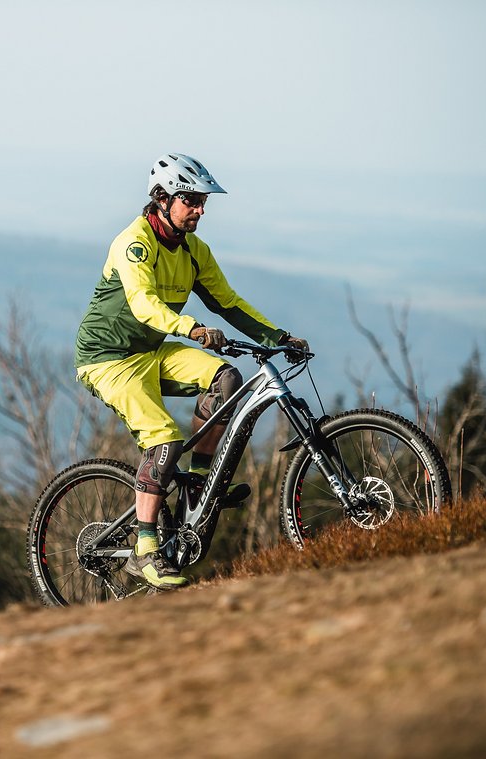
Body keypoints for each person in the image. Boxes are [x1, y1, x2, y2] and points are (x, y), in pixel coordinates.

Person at [74, 152, 308, 590]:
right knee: (164, 440)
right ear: (162, 199)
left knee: (228, 380)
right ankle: (144, 551)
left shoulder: (194, 250)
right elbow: (144, 305)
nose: (200, 210)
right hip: (107, 360)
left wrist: (278, 336)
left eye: (203, 202)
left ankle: (199, 484)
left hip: (151, 351)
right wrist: (192, 328)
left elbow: (228, 302)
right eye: (191, 201)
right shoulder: (134, 243)